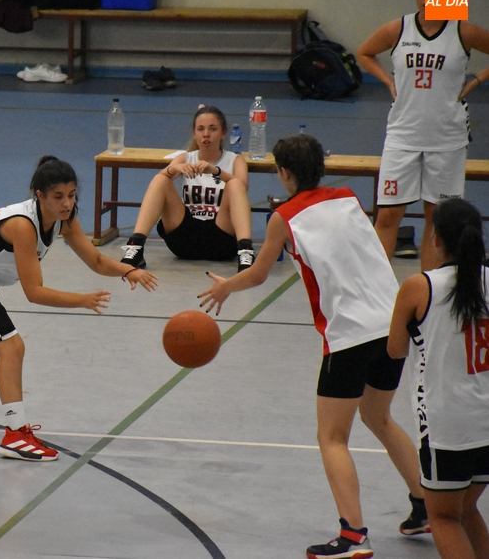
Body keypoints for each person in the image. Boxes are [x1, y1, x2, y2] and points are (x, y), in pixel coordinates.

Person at [199, 135, 426, 558]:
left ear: (285, 173)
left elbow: (260, 273)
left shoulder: (283, 217)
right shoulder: (347, 198)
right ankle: (424, 504)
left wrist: (227, 286)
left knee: (332, 436)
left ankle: (354, 535)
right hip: (391, 322)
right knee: (379, 417)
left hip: (350, 334)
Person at [0, 156, 157, 460]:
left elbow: (96, 260)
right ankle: (15, 434)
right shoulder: (23, 226)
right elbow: (34, 293)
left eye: (71, 195)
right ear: (39, 195)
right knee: (11, 347)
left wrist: (127, 270)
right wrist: (82, 300)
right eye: (58, 197)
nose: (66, 203)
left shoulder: (65, 219)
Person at [356, 0, 489, 270]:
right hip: (403, 136)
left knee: (437, 220)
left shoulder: (463, 31)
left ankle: (428, 297)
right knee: (388, 215)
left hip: (447, 139)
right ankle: (374, 295)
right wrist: (389, 80)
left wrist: (478, 80)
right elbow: (364, 52)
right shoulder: (398, 28)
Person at [387, 198, 489, 559]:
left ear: (435, 239)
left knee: (443, 517)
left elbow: (395, 350)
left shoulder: (419, 287)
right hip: (486, 420)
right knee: (467, 510)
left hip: (448, 424)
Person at [119, 105, 255, 273]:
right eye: (201, 129)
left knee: (234, 184)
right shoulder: (185, 158)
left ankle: (246, 251)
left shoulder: (235, 160)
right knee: (161, 179)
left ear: (223, 133)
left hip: (221, 238)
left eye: (212, 129)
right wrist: (175, 169)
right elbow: (160, 180)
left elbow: (242, 187)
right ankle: (136, 247)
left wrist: (216, 171)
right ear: (194, 133)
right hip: (185, 239)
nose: (206, 134)